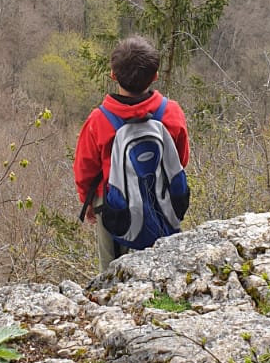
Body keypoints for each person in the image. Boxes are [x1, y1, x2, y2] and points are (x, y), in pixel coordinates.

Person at [74, 35, 190, 273]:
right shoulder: (171, 112)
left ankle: (115, 295)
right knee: (164, 261)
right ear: (155, 76)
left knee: (112, 268)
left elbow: (85, 169)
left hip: (114, 206)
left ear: (113, 75)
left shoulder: (99, 120)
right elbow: (181, 159)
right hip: (161, 198)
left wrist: (86, 200)